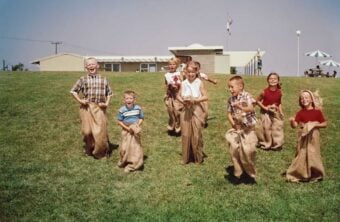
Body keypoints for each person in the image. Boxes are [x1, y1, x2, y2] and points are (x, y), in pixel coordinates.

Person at [70, 57, 113, 159]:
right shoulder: (82, 79)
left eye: (93, 64)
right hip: (86, 108)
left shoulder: (104, 79)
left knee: (100, 131)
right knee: (87, 131)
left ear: (97, 66)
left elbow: (110, 94)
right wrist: (80, 101)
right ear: (86, 67)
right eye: (89, 65)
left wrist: (106, 103)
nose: (91, 66)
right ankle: (89, 147)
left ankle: (102, 152)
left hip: (99, 108)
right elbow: (73, 91)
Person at [286, 90, 327, 183]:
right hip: (303, 136)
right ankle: (302, 172)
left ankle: (315, 174)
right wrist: (292, 121)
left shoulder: (317, 112)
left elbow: (324, 124)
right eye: (302, 98)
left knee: (313, 154)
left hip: (314, 137)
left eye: (306, 97)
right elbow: (295, 126)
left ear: (311, 99)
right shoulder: (300, 113)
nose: (304, 99)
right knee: (302, 154)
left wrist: (314, 125)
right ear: (300, 101)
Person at [225, 75, 257, 182]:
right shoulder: (231, 100)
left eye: (232, 87)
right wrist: (233, 124)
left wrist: (241, 107)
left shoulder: (247, 96)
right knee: (235, 150)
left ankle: (249, 173)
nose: (230, 89)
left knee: (248, 151)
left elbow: (251, 108)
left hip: (248, 129)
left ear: (241, 86)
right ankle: (238, 173)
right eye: (229, 87)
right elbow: (229, 113)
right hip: (238, 129)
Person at [177, 64, 208, 164]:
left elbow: (206, 97)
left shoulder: (199, 82)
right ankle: (185, 158)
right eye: (188, 72)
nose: (191, 74)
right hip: (185, 109)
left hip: (196, 108)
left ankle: (198, 158)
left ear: (196, 72)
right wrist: (183, 101)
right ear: (185, 72)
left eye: (193, 72)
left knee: (196, 133)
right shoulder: (183, 83)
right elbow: (178, 96)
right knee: (185, 134)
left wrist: (195, 100)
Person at [117, 90, 144, 172]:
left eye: (131, 98)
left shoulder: (138, 108)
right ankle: (124, 160)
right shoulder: (122, 110)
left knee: (135, 147)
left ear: (134, 99)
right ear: (124, 100)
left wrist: (137, 125)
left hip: (135, 129)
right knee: (124, 147)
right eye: (127, 98)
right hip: (126, 130)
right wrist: (127, 128)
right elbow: (119, 121)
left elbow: (141, 118)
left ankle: (134, 164)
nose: (129, 100)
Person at [256, 72, 284, 150]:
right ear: (268, 80)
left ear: (278, 81)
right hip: (266, 112)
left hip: (275, 112)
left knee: (277, 127)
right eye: (271, 79)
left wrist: (281, 111)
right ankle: (266, 143)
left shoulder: (279, 92)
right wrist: (264, 108)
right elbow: (257, 101)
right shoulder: (264, 91)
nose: (273, 80)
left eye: (275, 79)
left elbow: (279, 103)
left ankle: (277, 144)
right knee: (266, 128)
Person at [164, 57, 182, 133]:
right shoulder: (166, 75)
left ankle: (178, 126)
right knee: (171, 111)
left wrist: (178, 86)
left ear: (177, 65)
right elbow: (165, 84)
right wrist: (167, 91)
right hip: (171, 95)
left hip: (178, 94)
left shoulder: (179, 73)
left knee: (177, 111)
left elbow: (182, 83)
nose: (171, 66)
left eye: (173, 64)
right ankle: (171, 126)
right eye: (170, 64)